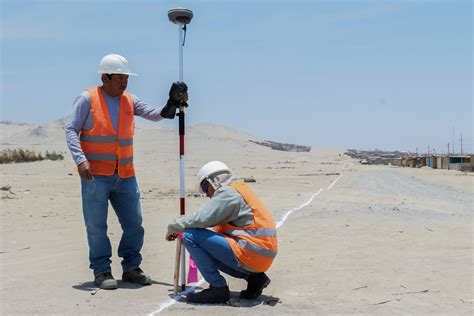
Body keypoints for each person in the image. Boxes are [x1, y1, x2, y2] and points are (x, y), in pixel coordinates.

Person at [66, 54, 189, 290]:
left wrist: (172, 103)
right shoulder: (87, 99)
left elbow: (155, 114)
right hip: (95, 176)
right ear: (105, 77)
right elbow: (71, 129)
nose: (125, 83)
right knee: (96, 225)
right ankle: (102, 271)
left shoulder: (129, 100)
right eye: (120, 78)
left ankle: (131, 267)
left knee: (134, 224)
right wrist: (80, 160)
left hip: (125, 174)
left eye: (126, 78)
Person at [165, 161, 278, 304]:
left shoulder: (228, 193)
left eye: (205, 188)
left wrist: (174, 225)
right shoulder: (239, 189)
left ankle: (218, 289)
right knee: (207, 244)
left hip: (253, 253)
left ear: (213, 181)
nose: (207, 194)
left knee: (190, 236)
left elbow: (203, 219)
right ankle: (255, 278)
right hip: (261, 255)